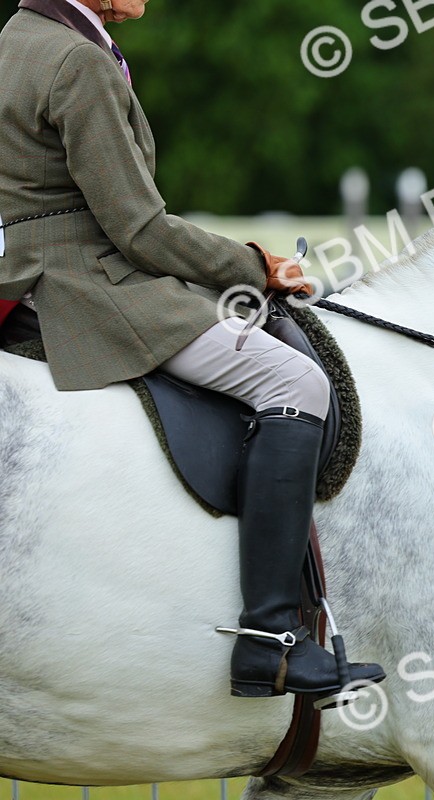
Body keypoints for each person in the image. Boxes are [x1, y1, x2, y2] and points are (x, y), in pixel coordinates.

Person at [0, 0, 384, 699]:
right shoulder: (77, 60)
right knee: (295, 384)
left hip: (25, 277)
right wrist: (252, 265)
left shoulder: (15, 39)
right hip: (92, 286)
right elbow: (138, 227)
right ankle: (272, 638)